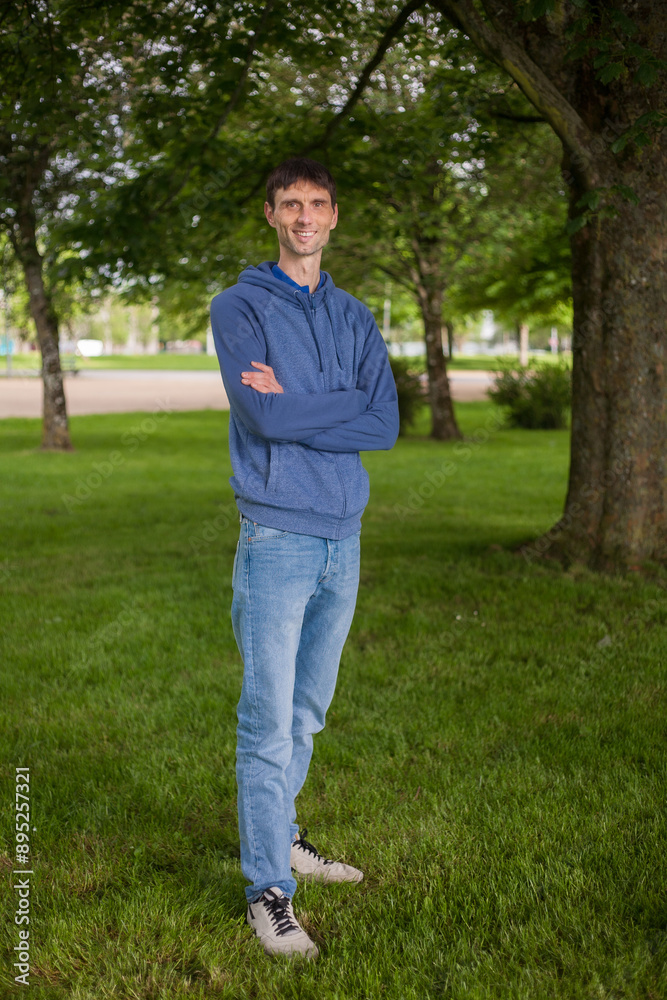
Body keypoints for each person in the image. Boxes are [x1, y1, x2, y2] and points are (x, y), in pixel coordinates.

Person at [210, 157, 399, 959]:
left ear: (333, 215)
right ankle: (268, 891)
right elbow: (261, 417)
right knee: (266, 723)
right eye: (290, 204)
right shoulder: (239, 306)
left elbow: (384, 422)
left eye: (316, 203)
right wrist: (324, 405)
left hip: (342, 537)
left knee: (306, 714)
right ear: (270, 215)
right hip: (277, 537)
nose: (304, 216)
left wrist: (298, 404)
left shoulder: (354, 315)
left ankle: (283, 835)